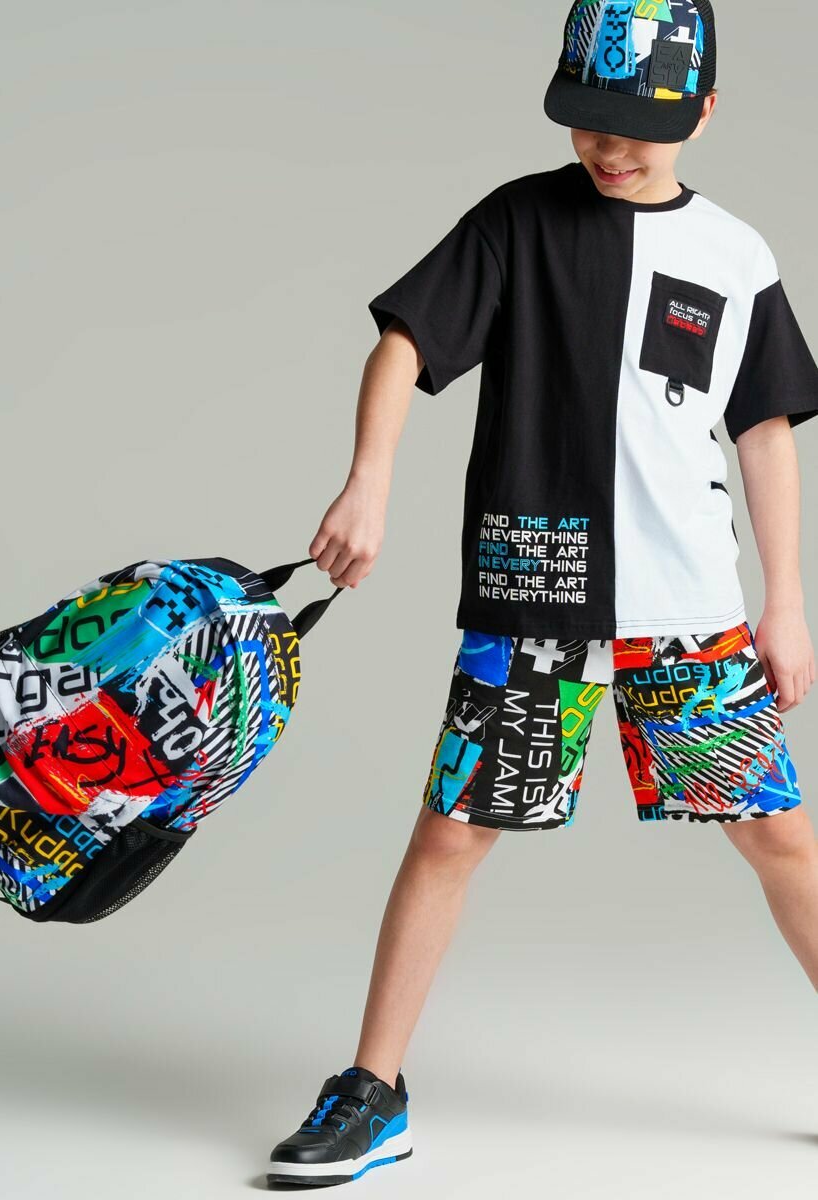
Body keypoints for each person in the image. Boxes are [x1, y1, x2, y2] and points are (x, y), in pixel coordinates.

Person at [266, 1, 818, 1187]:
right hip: (537, 589)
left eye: (638, 128)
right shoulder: (517, 222)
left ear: (703, 113)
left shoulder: (736, 256)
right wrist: (368, 482)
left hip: (687, 608)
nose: (610, 149)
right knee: (452, 832)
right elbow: (404, 344)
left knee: (779, 836)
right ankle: (373, 1090)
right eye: (588, 123)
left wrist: (787, 602)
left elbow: (765, 433)